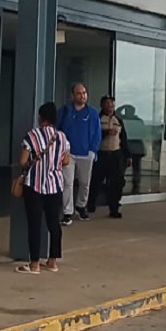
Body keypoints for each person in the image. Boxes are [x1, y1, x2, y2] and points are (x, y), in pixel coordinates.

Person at [16, 102, 70, 275]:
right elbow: (66, 161)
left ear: (41, 117)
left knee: (35, 224)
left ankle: (34, 264)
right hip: (55, 185)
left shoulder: (32, 135)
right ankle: (52, 261)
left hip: (35, 185)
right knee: (54, 223)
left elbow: (23, 161)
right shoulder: (61, 137)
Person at [57, 83, 101, 225]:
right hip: (68, 153)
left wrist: (93, 151)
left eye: (84, 93)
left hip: (86, 153)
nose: (82, 96)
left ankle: (81, 206)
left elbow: (97, 134)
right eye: (79, 93)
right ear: (73, 95)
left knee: (84, 183)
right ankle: (67, 212)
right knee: (67, 183)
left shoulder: (93, 113)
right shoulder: (65, 111)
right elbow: (57, 130)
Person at [87, 96, 131, 218]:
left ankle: (114, 208)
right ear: (102, 106)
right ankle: (90, 205)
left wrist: (128, 155)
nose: (111, 107)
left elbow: (124, 139)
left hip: (115, 155)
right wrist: (106, 133)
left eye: (112, 105)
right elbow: (92, 134)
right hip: (101, 154)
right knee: (95, 181)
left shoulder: (118, 120)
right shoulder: (98, 119)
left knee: (116, 183)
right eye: (108, 104)